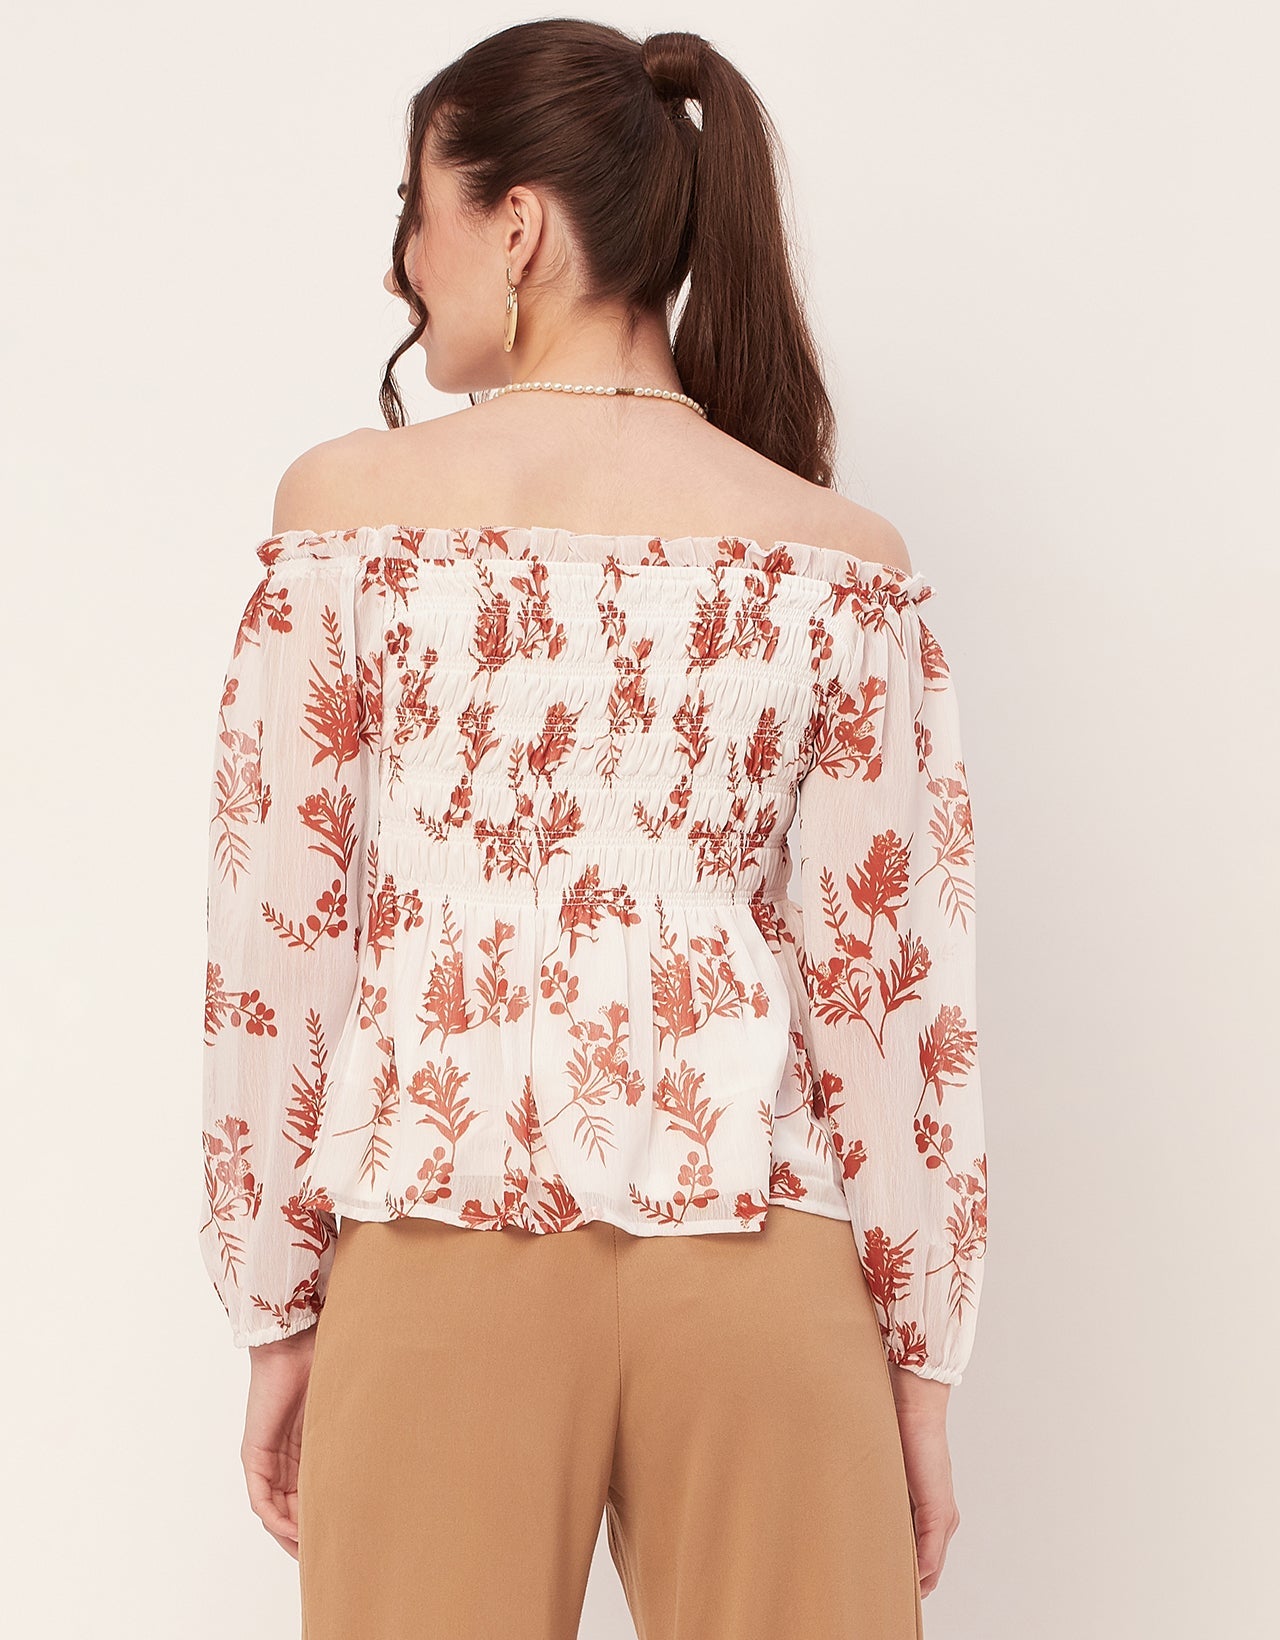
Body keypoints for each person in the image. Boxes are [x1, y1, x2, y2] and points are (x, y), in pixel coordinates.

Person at [198, 19, 988, 1640]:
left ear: (516, 226)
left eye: (414, 209)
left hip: (439, 1239)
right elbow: (894, 1003)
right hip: (765, 1269)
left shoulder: (347, 520)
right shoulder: (836, 559)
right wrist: (919, 1371)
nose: (400, 265)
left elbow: (276, 943)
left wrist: (275, 1309)